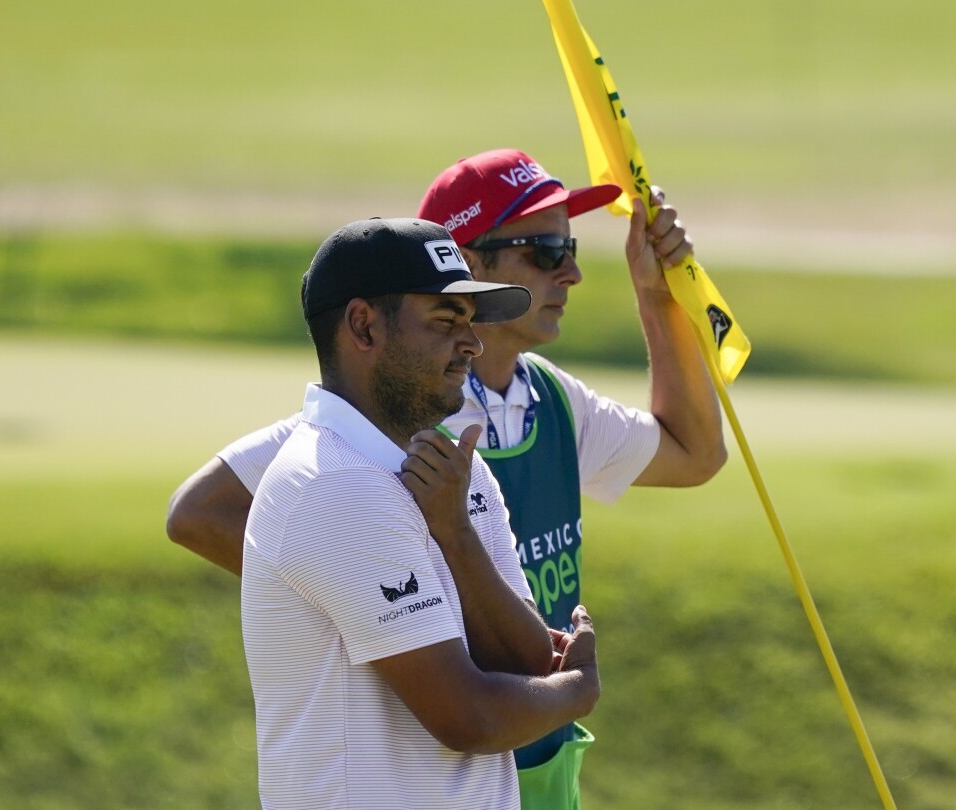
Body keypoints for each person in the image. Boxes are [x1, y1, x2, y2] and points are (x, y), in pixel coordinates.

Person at [167, 149, 726, 808]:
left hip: (539, 748)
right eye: (544, 250)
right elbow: (198, 512)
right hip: (483, 727)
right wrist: (373, 604)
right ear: (469, 258)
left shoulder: (536, 408)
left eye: (569, 246)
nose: (570, 271)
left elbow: (694, 453)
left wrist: (657, 298)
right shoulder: (350, 454)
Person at [240, 216, 600, 809]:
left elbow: (526, 658)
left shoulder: (457, 471)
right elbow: (468, 717)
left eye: (470, 319)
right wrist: (575, 692)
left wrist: (455, 533)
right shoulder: (332, 484)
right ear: (363, 326)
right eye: (445, 319)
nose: (473, 343)